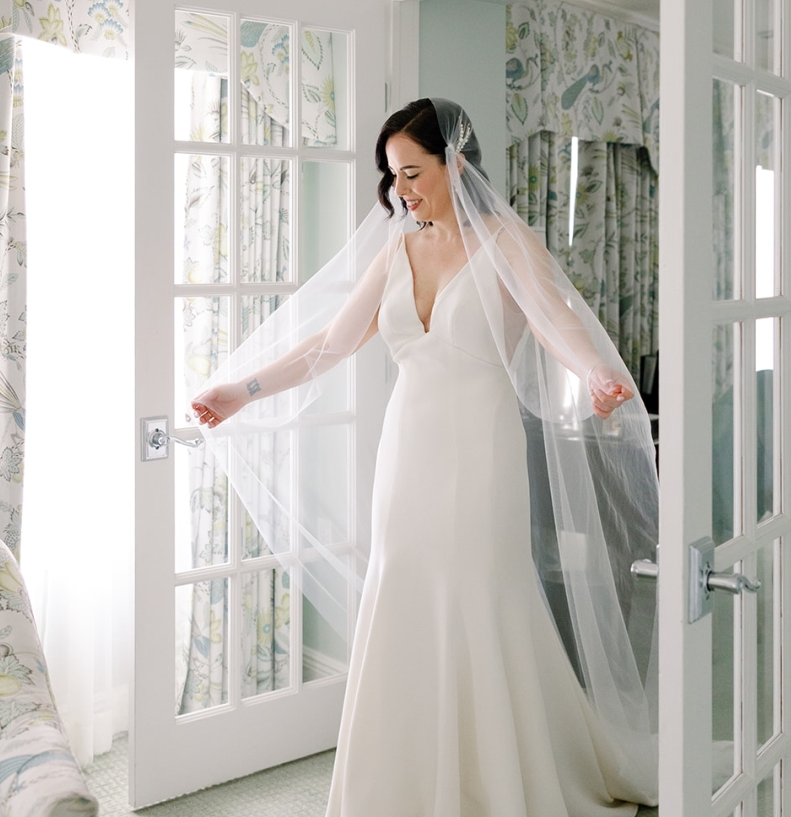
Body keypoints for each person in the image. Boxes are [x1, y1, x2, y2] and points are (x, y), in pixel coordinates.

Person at [192, 99, 660, 816]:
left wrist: (595, 372)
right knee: (403, 594)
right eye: (393, 176)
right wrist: (241, 391)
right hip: (408, 452)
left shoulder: (506, 242)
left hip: (481, 454)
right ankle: (400, 786)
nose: (401, 190)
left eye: (412, 171)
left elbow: (553, 318)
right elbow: (330, 345)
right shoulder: (398, 250)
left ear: (457, 162)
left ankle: (503, 780)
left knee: (479, 595)